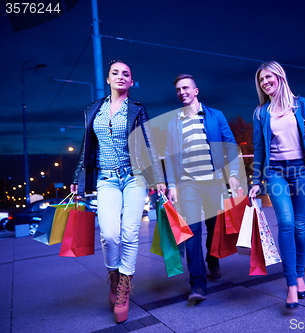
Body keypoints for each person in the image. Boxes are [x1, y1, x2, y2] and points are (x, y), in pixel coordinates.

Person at [71, 60, 166, 324]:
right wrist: (77, 179)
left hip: (134, 177)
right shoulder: (93, 110)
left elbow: (149, 143)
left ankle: (124, 287)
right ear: (108, 79)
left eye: (126, 74)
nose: (121, 77)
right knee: (110, 235)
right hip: (106, 179)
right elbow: (86, 146)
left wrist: (158, 178)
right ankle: (114, 276)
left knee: (130, 233)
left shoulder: (137, 109)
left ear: (131, 81)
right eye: (116, 73)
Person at [249, 61, 305, 309]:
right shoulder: (261, 112)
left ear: (280, 77)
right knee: (285, 222)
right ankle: (291, 283)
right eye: (261, 80)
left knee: (300, 225)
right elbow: (259, 149)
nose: (264, 82)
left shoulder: (300, 104)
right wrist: (255, 180)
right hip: (275, 172)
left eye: (268, 77)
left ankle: (300, 273)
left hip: (301, 170)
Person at [164, 74, 240, 302]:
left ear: (196, 91)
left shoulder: (215, 116)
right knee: (192, 232)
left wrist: (233, 174)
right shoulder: (174, 122)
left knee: (214, 227)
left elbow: (230, 146)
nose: (182, 92)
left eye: (186, 88)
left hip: (214, 182)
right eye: (178, 89)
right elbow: (169, 156)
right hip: (188, 184)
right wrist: (172, 185)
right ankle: (197, 284)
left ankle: (213, 259)